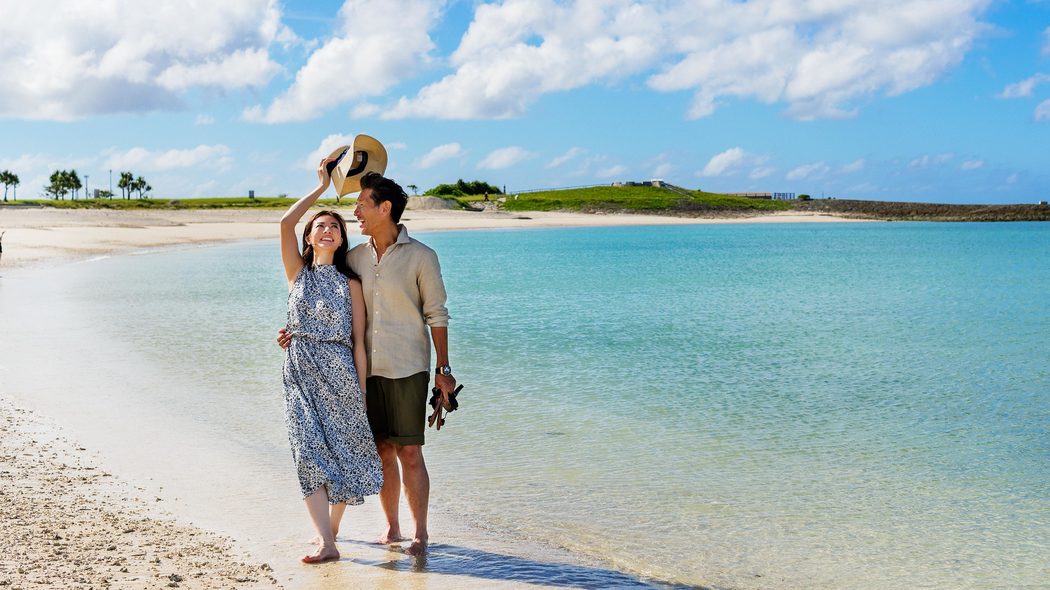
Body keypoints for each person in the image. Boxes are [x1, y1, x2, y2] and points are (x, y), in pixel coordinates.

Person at [279, 171, 455, 556]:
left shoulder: (421, 256)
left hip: (406, 366)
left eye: (361, 204)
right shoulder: (353, 259)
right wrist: (296, 331)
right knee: (379, 450)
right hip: (344, 373)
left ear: (385, 208)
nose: (355, 211)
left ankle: (419, 532)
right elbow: (312, 296)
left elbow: (437, 314)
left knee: (409, 451)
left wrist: (444, 369)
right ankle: (390, 528)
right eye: (324, 225)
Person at [280, 157, 383, 564]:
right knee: (307, 452)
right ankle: (326, 541)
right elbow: (284, 223)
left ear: (341, 239)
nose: (327, 229)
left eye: (334, 226)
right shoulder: (296, 273)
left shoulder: (351, 284)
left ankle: (330, 534)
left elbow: (359, 343)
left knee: (342, 452)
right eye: (320, 225)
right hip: (299, 372)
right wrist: (321, 188)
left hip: (340, 374)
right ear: (309, 237)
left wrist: (359, 391)